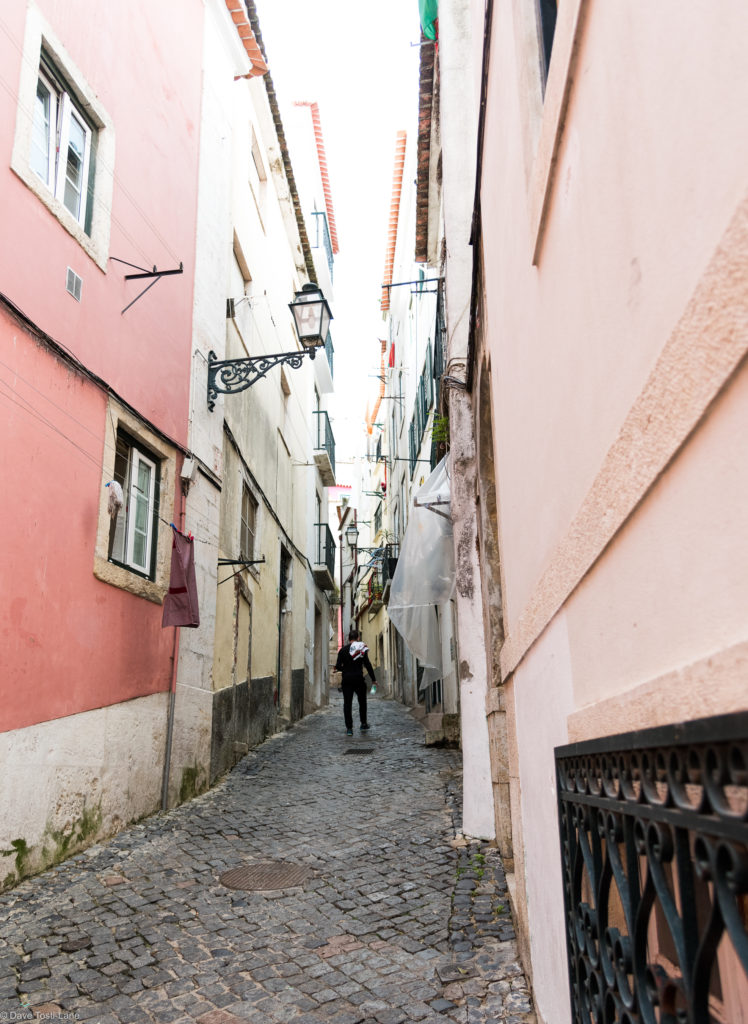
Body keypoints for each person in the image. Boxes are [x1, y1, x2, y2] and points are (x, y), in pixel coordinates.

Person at [335, 628, 376, 736]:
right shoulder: (361, 649)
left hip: (347, 680)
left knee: (347, 704)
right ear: (358, 638)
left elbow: (338, 666)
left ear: (348, 639)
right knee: (362, 702)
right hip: (358, 679)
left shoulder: (343, 650)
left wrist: (345, 669)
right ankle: (363, 724)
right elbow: (367, 664)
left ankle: (349, 728)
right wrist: (373, 679)